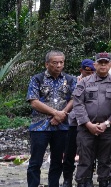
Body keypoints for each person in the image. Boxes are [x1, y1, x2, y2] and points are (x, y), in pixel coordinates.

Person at [71, 52, 111, 187]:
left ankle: (104, 182)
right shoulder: (84, 82)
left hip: (108, 129)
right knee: (85, 160)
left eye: (105, 63)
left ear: (110, 64)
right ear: (95, 64)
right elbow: (78, 103)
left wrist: (107, 123)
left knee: (105, 160)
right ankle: (84, 182)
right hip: (85, 128)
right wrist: (88, 124)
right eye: (100, 63)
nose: (103, 65)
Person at [27, 51, 78, 187]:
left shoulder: (70, 79)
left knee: (57, 161)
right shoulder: (37, 79)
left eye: (61, 62)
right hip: (39, 127)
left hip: (61, 127)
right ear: (47, 64)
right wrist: (55, 113)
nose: (58, 65)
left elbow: (74, 99)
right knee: (35, 162)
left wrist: (62, 114)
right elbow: (33, 101)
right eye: (55, 63)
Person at [63, 59, 95, 187]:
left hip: (89, 123)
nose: (90, 75)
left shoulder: (97, 83)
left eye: (92, 72)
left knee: (88, 153)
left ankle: (87, 178)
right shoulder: (72, 83)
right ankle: (67, 179)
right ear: (81, 71)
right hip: (73, 123)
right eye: (87, 72)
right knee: (69, 153)